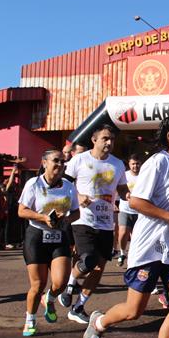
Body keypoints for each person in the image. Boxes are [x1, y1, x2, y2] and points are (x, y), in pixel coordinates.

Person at [81, 116, 169, 338]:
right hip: (149, 247)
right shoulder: (159, 162)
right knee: (134, 310)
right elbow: (135, 201)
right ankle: (100, 322)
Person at [58, 124, 129, 324]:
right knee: (88, 259)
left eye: (112, 139)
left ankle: (78, 306)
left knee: (99, 268)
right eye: (105, 138)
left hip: (106, 222)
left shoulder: (117, 164)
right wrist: (78, 195)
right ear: (94, 140)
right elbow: (64, 184)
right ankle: (71, 285)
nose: (109, 142)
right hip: (83, 218)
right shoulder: (79, 160)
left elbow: (122, 189)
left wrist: (129, 195)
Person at [17, 149, 80, 336]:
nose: (60, 165)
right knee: (38, 285)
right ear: (44, 162)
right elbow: (21, 210)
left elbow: (77, 212)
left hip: (59, 236)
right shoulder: (34, 184)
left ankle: (50, 299)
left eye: (63, 162)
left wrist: (66, 219)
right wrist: (42, 217)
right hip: (36, 237)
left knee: (60, 283)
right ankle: (30, 319)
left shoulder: (69, 186)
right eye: (56, 161)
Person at [116, 153, 142, 267]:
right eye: (133, 164)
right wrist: (114, 203)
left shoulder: (144, 176)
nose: (135, 166)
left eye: (137, 164)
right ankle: (122, 252)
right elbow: (117, 190)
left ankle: (134, 257)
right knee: (123, 233)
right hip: (125, 209)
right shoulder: (124, 175)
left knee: (137, 236)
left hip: (140, 211)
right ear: (129, 164)